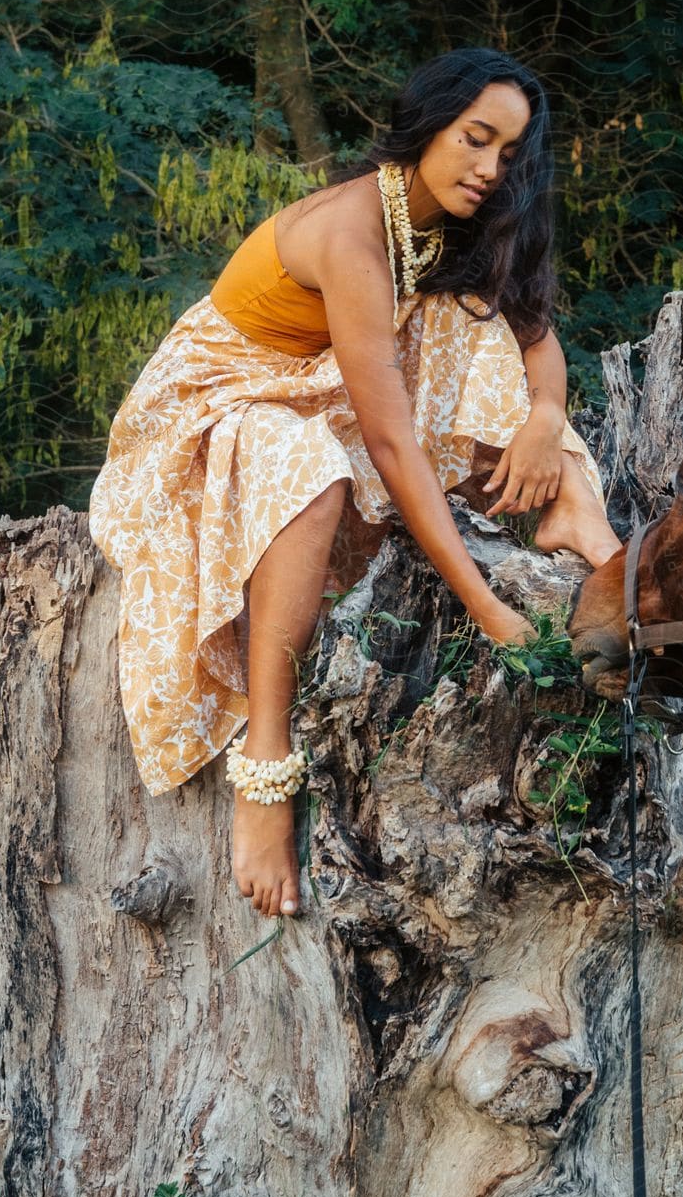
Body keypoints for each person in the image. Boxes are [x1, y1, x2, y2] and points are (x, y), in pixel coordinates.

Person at [88, 47, 621, 924]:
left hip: (321, 383)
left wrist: (542, 418)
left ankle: (582, 526)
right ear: (427, 127)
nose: (490, 170)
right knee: (306, 462)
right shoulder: (351, 230)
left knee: (467, 318)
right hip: (216, 401)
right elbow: (391, 441)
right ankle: (265, 763)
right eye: (475, 140)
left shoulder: (456, 219)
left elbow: (532, 333)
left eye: (509, 154)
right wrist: (487, 609)